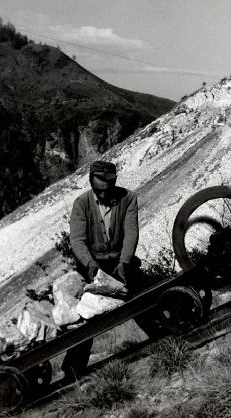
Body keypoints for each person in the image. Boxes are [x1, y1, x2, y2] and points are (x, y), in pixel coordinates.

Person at [61, 160, 143, 380]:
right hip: (92, 266)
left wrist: (124, 262)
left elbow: (131, 233)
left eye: (110, 185)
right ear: (92, 182)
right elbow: (77, 240)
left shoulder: (129, 198)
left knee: (143, 297)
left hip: (119, 263)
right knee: (86, 315)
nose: (106, 193)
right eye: (101, 187)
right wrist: (90, 265)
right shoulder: (81, 204)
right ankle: (73, 371)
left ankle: (165, 333)